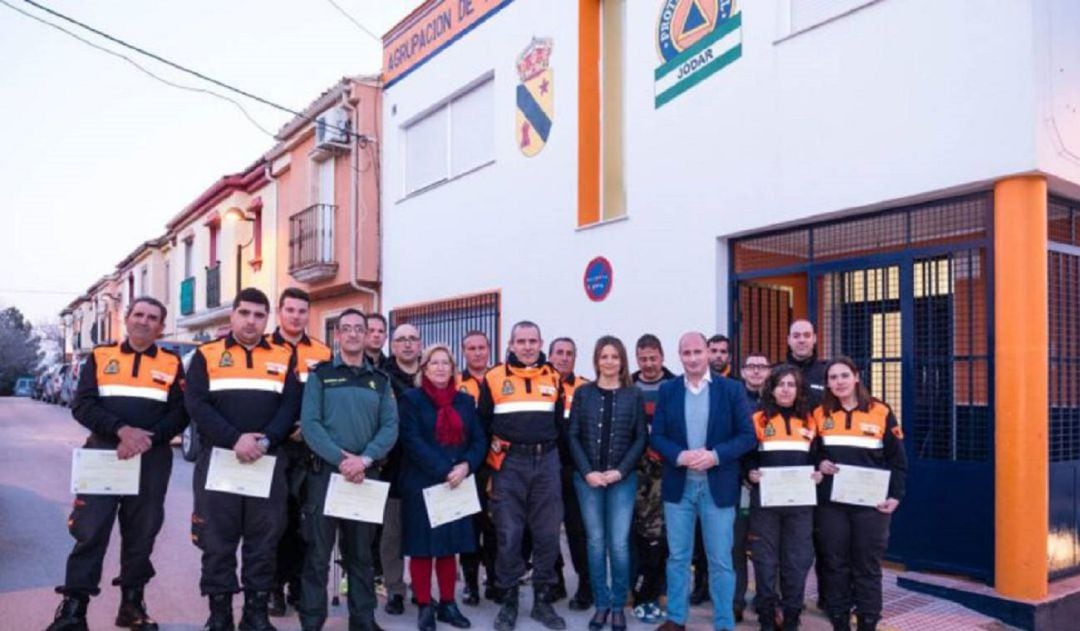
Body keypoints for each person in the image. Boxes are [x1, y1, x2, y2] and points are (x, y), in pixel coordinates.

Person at [47, 297, 187, 631]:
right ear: (127, 319)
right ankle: (73, 610)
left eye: (152, 317)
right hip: (102, 456)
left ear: (161, 326)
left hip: (151, 460)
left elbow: (181, 413)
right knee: (89, 531)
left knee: (142, 533)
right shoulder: (101, 356)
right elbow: (82, 405)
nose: (144, 321)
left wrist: (147, 440)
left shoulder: (171, 363)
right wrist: (121, 431)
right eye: (138, 314)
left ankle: (132, 605)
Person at [185, 288, 303, 631]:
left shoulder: (284, 355)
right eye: (245, 313)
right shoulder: (206, 355)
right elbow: (196, 404)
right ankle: (219, 614)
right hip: (220, 461)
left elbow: (290, 406)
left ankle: (255, 614)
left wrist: (265, 440)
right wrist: (234, 439)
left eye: (259, 315)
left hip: (266, 461)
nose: (251, 320)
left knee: (263, 542)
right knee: (217, 542)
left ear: (267, 319)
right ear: (232, 315)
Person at [298, 308, 399, 631]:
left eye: (361, 328)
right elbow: (311, 425)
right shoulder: (320, 375)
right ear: (337, 335)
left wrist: (365, 460)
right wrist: (342, 461)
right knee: (317, 556)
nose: (354, 334)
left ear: (368, 335)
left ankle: (363, 620)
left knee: (361, 557)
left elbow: (390, 426)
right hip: (325, 476)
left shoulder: (379, 381)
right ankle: (312, 622)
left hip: (364, 477)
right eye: (347, 329)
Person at [650, 332, 756, 631]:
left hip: (717, 486)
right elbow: (657, 436)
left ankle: (723, 623)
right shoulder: (668, 390)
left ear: (708, 354)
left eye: (698, 351)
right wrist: (679, 455)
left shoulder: (731, 390)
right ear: (679, 356)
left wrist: (716, 456)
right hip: (680, 486)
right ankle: (676, 619)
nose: (693, 358)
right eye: (687, 353)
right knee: (678, 557)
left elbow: (747, 436)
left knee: (721, 559)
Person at [478, 320, 566, 631]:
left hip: (546, 463)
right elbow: (483, 423)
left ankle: (543, 600)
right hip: (509, 466)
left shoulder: (554, 377)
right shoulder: (493, 377)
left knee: (546, 535)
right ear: (512, 345)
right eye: (521, 341)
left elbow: (558, 424)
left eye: (533, 341)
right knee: (509, 535)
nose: (527, 347)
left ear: (541, 343)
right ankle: (509, 601)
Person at [398, 344, 488, 631]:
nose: (440, 367)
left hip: (457, 482)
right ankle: (425, 605)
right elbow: (411, 440)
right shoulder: (411, 399)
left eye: (445, 363)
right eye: (433, 363)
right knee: (422, 548)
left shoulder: (464, 401)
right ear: (423, 368)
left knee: (450, 547)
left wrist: (465, 467)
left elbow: (478, 441)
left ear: (453, 368)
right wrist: (443, 469)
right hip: (423, 481)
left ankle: (448, 603)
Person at [814, 357, 907, 631]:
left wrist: (896, 495)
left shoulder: (880, 411)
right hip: (832, 504)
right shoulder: (821, 414)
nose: (839, 382)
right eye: (833, 378)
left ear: (856, 377)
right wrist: (820, 462)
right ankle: (839, 617)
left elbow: (898, 459)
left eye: (844, 375)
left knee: (866, 564)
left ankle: (868, 619)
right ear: (828, 383)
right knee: (834, 561)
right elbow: (812, 452)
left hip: (871, 505)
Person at [567, 336, 647, 631]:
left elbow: (640, 437)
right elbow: (572, 434)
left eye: (615, 357)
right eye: (604, 356)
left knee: (619, 543)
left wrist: (620, 471)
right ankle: (600, 604)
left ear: (622, 361)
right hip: (587, 480)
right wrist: (588, 471)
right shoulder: (583, 393)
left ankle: (617, 605)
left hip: (621, 481)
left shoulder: (633, 395)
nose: (610, 362)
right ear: (597, 360)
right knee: (596, 542)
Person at [268, 288, 332, 617]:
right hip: (274, 449)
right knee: (275, 523)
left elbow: (329, 399)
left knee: (307, 524)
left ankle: (297, 587)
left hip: (310, 451)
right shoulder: (263, 348)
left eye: (301, 311)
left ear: (308, 314)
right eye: (290, 310)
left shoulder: (322, 352)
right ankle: (273, 588)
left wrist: (309, 429)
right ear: (279, 312)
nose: (295, 316)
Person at [745, 365, 821, 631]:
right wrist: (749, 472)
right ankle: (766, 617)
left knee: (797, 561)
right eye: (781, 384)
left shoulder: (811, 420)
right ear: (772, 389)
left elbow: (818, 457)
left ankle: (791, 617)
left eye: (792, 384)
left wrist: (819, 473)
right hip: (766, 504)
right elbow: (748, 455)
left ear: (799, 390)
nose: (786, 389)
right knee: (765, 562)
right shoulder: (758, 419)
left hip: (800, 505)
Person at [630, 334, 677, 625]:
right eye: (643, 358)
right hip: (634, 468)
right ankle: (633, 588)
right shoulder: (628, 385)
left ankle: (656, 589)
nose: (648, 364)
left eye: (653, 358)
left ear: (661, 356)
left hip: (665, 468)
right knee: (633, 531)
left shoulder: (675, 386)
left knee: (660, 534)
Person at [381, 323, 422, 615]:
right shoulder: (382, 378)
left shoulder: (434, 374)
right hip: (392, 466)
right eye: (401, 340)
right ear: (393, 346)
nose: (407, 344)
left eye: (412, 339)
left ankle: (422, 590)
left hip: (425, 467)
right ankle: (395, 589)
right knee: (392, 534)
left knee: (424, 532)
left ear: (420, 344)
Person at [548, 337, 592, 610]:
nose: (564, 358)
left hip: (576, 471)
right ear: (550, 355)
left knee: (578, 531)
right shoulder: (541, 385)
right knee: (547, 530)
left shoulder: (585, 388)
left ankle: (586, 586)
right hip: (547, 469)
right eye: (559, 353)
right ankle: (556, 582)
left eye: (569, 353)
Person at [729, 351, 773, 622]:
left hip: (771, 486)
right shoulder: (733, 401)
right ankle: (736, 601)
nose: (756, 372)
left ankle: (766, 599)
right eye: (751, 367)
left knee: (766, 548)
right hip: (737, 484)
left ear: (770, 371)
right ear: (743, 372)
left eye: (762, 367)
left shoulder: (778, 401)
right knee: (735, 545)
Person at [455, 330, 498, 605]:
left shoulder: (499, 379)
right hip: (466, 465)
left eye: (482, 347)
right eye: (471, 348)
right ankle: (470, 584)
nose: (477, 352)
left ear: (489, 349)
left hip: (496, 466)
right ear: (464, 352)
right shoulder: (456, 383)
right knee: (468, 528)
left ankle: (494, 581)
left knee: (494, 527)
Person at [693, 333, 734, 608]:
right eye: (714, 350)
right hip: (692, 474)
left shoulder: (734, 388)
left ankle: (728, 598)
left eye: (723, 351)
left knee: (725, 545)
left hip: (725, 474)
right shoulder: (689, 386)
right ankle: (701, 585)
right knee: (697, 538)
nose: (718, 355)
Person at [785, 320, 826, 406]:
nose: (802, 340)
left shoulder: (826, 372)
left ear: (814, 339)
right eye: (796, 336)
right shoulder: (777, 373)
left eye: (807, 335)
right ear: (789, 340)